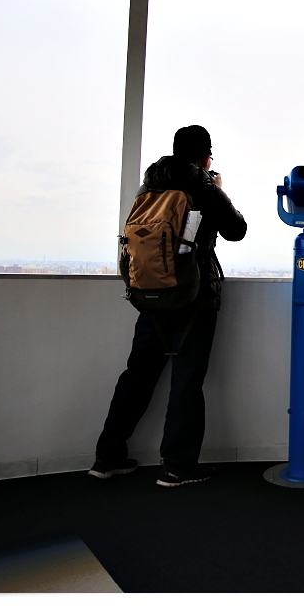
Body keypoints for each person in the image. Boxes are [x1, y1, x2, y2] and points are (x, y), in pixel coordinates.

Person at [89, 125, 247, 486]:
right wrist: (218, 188)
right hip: (193, 298)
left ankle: (107, 456)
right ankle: (178, 465)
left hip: (150, 295)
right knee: (186, 380)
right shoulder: (202, 184)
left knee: (137, 375)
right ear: (205, 157)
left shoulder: (149, 185)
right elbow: (236, 230)